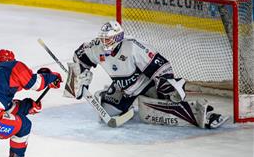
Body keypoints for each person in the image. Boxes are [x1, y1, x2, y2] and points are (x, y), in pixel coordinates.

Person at [65, 20, 228, 129]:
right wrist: (79, 80)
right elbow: (79, 57)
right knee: (106, 114)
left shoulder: (133, 47)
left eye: (108, 39)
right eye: (103, 39)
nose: (104, 43)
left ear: (118, 37)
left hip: (147, 85)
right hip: (123, 89)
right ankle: (108, 95)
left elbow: (160, 65)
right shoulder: (96, 47)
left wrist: (166, 83)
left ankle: (204, 114)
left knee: (164, 106)